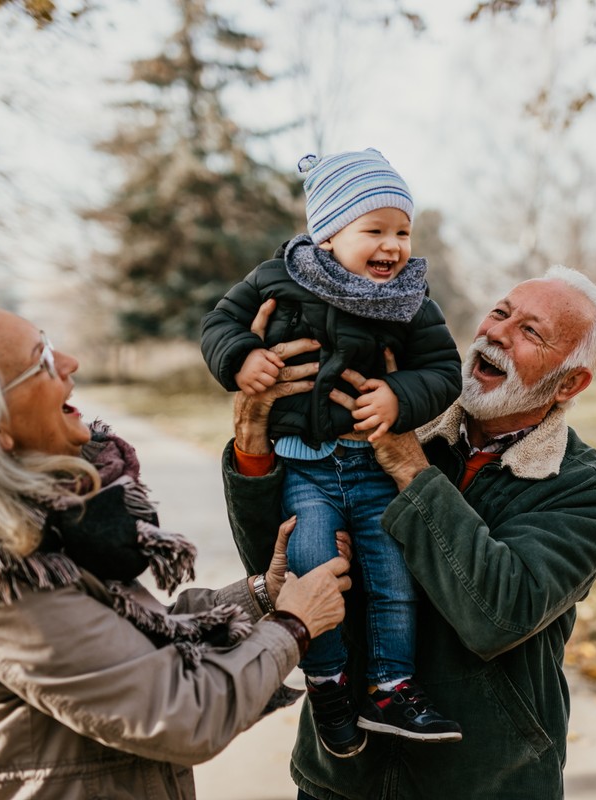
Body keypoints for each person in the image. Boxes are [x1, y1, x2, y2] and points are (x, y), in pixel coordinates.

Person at [0, 280, 352, 800]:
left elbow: (130, 648)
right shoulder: (6, 579)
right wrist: (293, 625)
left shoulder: (36, 531)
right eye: (42, 360)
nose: (70, 362)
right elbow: (180, 712)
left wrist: (260, 594)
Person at [221, 265, 596, 799]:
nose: (497, 333)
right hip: (343, 778)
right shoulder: (383, 418)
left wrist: (409, 468)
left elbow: (498, 614)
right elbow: (281, 572)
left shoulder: (587, 489)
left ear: (570, 383)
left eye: (531, 331)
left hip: (485, 784)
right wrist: (253, 437)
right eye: (500, 313)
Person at [201, 148, 463, 757]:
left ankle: (391, 685)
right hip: (305, 467)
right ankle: (327, 682)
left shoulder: (410, 299)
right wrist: (243, 357)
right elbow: (220, 323)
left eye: (403, 232)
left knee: (393, 575)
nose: (393, 246)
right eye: (375, 230)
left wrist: (399, 395)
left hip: (373, 468)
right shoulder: (277, 279)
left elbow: (442, 369)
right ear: (327, 234)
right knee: (313, 569)